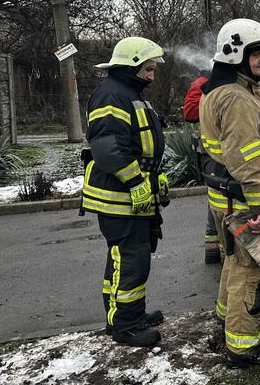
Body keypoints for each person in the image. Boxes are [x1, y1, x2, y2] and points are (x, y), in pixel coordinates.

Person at [198, 18, 260, 368]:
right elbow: (248, 159)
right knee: (250, 272)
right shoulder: (236, 99)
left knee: (234, 263)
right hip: (245, 200)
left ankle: (226, 322)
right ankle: (243, 345)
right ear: (236, 53)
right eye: (257, 53)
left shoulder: (221, 89)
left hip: (228, 195)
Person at [80, 36, 168, 348]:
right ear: (131, 64)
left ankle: (127, 315)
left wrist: (155, 180)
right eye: (148, 66)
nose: (153, 72)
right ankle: (126, 326)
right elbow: (108, 149)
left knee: (126, 259)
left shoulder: (127, 93)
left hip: (130, 193)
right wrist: (136, 183)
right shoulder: (112, 96)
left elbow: (139, 143)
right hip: (120, 195)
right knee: (130, 259)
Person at [183, 74, 221, 265]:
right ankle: (217, 252)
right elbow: (190, 114)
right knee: (219, 199)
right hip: (215, 154)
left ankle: (213, 251)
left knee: (215, 199)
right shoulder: (205, 85)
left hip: (212, 154)